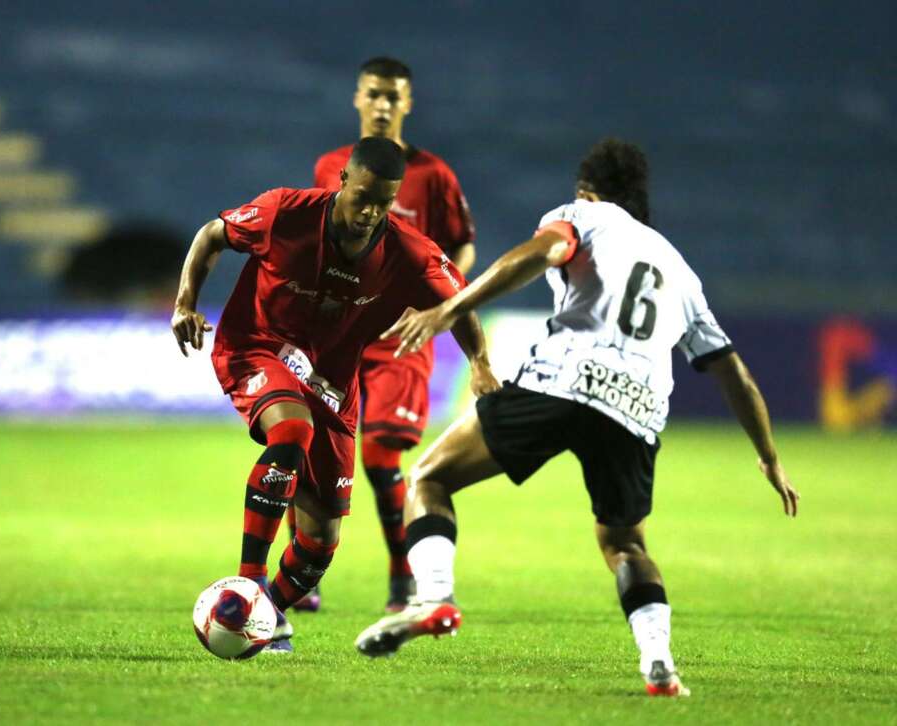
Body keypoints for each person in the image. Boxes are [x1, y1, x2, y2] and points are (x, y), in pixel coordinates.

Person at [354, 138, 800, 696]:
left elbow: (541, 252)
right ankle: (659, 663)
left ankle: (434, 599)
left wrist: (450, 308)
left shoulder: (582, 215)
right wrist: (768, 456)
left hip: (564, 379)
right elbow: (734, 374)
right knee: (625, 545)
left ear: (588, 191)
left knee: (430, 478)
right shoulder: (682, 274)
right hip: (637, 408)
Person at [171, 137, 497, 654]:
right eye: (363, 196)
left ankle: (265, 614)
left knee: (319, 547)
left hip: (331, 385)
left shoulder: (408, 252)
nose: (371, 212)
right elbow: (213, 235)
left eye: (384, 202)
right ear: (342, 180)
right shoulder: (285, 212)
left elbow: (459, 301)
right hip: (255, 348)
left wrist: (480, 365)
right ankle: (249, 584)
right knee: (291, 429)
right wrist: (185, 302)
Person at [291, 57, 477, 613]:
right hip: (338, 332)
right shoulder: (330, 167)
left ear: (407, 105)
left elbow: (461, 244)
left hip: (402, 333)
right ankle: (303, 574)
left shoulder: (434, 174)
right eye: (373, 94)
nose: (382, 105)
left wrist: (444, 296)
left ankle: (404, 577)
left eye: (393, 97)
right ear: (357, 98)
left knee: (378, 455)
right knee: (304, 445)